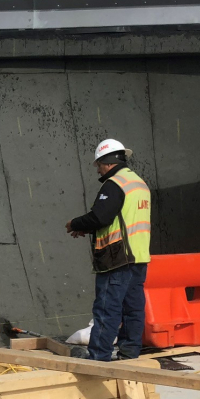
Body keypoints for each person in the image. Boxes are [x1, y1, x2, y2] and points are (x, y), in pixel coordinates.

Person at [65, 139, 151, 361]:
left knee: (107, 308)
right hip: (138, 256)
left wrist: (75, 224)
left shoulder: (115, 184)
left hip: (116, 257)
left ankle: (98, 357)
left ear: (108, 161)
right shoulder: (139, 183)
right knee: (133, 309)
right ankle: (130, 353)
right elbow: (120, 219)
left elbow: (100, 216)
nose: (98, 168)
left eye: (98, 164)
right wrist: (90, 229)